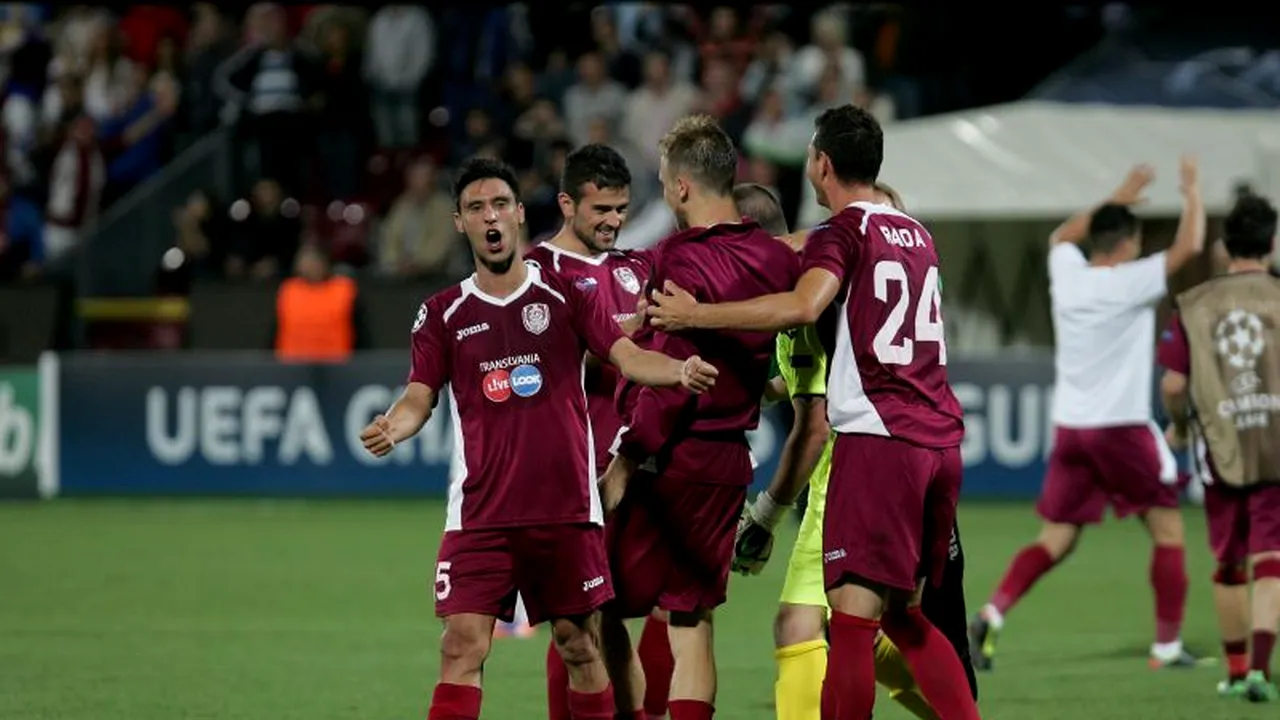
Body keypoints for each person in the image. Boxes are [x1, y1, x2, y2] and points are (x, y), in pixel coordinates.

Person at [646, 104, 979, 720]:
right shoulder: (914, 232)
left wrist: (695, 315)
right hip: (940, 444)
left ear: (821, 164)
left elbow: (803, 305)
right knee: (903, 617)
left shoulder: (842, 234)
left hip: (879, 444)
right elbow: (802, 253)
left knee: (850, 629)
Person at [358, 157, 718, 720]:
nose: (491, 217)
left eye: (500, 204)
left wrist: (677, 370)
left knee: (580, 644)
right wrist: (392, 426)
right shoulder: (442, 314)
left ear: (521, 213)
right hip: (480, 514)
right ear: (460, 222)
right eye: (476, 208)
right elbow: (418, 397)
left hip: (566, 511)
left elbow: (624, 355)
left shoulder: (567, 292)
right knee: (461, 646)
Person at [731, 181, 976, 720]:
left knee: (819, 623)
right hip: (927, 451)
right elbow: (799, 386)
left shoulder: (824, 282)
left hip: (862, 466)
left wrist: (765, 515)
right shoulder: (904, 251)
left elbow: (814, 423)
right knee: (894, 619)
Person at [596, 114, 801, 720]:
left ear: (682, 187)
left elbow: (671, 377)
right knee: (693, 619)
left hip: (670, 458)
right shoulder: (777, 260)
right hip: (728, 463)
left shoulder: (675, 261)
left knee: (604, 604)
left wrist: (626, 457)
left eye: (663, 182)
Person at [967, 159, 1207, 672]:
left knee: (1056, 538)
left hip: (1072, 429)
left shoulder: (1067, 272)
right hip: (1121, 429)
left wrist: (1115, 193)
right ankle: (1166, 648)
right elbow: (1188, 248)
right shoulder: (1132, 280)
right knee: (1169, 531)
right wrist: (1192, 193)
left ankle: (992, 613)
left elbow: (1062, 234)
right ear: (1129, 243)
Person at [526, 143, 671, 719]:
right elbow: (528, 369)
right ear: (567, 203)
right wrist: (613, 346)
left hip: (638, 467)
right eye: (600, 210)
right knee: (575, 621)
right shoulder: (536, 273)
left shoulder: (636, 268)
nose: (613, 221)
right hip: (573, 476)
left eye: (621, 209)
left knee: (641, 612)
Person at [1159, 193, 1280, 702]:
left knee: (1229, 560)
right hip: (1275, 443)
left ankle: (1233, 671)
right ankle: (1258, 670)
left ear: (1226, 247)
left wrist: (1181, 427)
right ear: (1272, 244)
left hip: (1221, 445)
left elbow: (1172, 385)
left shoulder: (1194, 304)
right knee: (1271, 557)